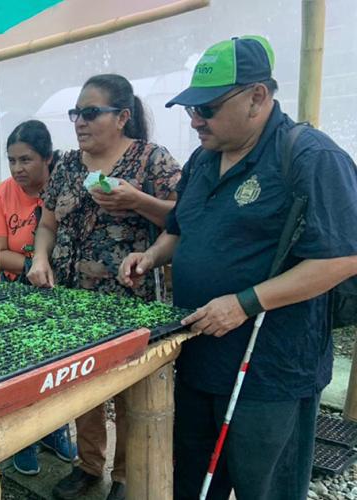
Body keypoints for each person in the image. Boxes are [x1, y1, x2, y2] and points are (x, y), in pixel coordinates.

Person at [118, 36, 357, 500]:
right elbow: (180, 228)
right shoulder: (203, 159)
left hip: (269, 369)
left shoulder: (310, 158)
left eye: (207, 108)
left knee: (264, 487)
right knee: (193, 481)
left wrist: (247, 303)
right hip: (199, 355)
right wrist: (152, 255)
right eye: (190, 109)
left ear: (257, 97)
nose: (195, 120)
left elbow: (341, 257)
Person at [27, 74, 182, 500]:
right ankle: (89, 464)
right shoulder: (68, 166)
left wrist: (138, 201)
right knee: (79, 384)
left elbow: (184, 219)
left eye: (91, 112)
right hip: (71, 300)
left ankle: (126, 475)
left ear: (122, 117)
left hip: (129, 302)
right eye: (76, 113)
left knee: (132, 391)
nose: (80, 121)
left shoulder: (151, 160)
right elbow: (47, 223)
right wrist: (40, 257)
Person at [0, 119, 76, 474]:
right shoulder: (1, 196)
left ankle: (55, 431)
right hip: (15, 291)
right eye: (12, 161)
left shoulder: (64, 191)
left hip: (59, 292)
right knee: (20, 370)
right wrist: (32, 267)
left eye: (26, 160)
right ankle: (24, 441)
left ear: (47, 158)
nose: (18, 169)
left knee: (58, 367)